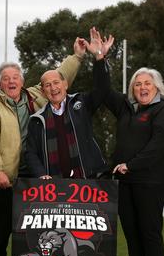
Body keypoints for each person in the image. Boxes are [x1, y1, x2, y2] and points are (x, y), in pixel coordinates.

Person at [0, 37, 83, 256]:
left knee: (38, 231)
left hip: (38, 176)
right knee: (0, 233)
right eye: (6, 78)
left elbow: (59, 77)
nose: (12, 81)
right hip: (8, 176)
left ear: (23, 81)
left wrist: (78, 56)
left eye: (16, 77)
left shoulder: (35, 95)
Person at [102, 31, 164, 256]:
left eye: (147, 84)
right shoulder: (126, 108)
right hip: (126, 180)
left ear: (157, 87)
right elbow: (103, 91)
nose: (142, 88)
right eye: (137, 85)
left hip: (151, 180)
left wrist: (129, 165)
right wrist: (101, 60)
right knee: (131, 232)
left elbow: (157, 147)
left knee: (150, 230)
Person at [25, 29, 110, 180]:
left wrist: (99, 56)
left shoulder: (81, 103)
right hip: (54, 186)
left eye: (56, 82)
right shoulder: (37, 120)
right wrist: (41, 174)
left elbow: (102, 89)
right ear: (43, 92)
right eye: (48, 85)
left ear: (65, 84)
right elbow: (31, 153)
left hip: (88, 181)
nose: (53, 88)